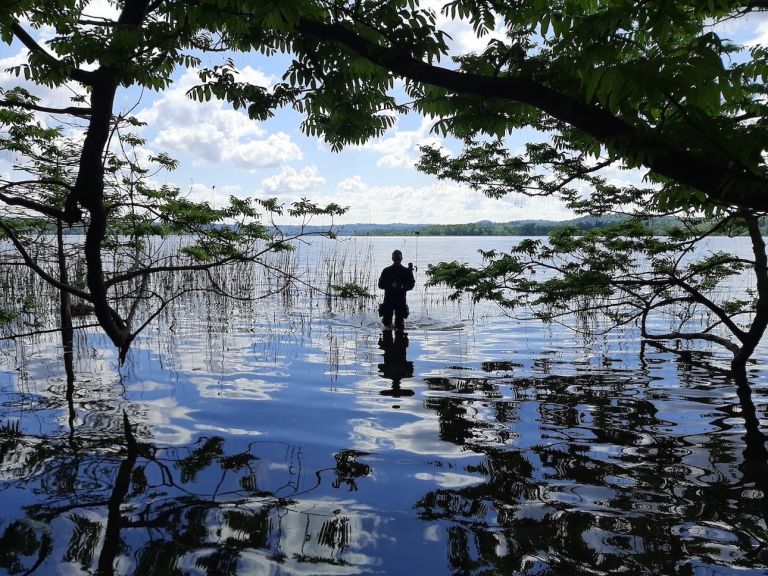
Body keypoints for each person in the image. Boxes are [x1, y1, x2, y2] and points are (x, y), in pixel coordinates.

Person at [378, 249, 415, 330]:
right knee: (387, 325)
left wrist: (402, 287)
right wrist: (391, 285)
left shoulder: (407, 271)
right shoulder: (386, 270)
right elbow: (380, 285)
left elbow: (411, 285)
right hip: (388, 300)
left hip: (400, 301)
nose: (397, 260)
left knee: (399, 326)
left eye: (398, 258)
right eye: (395, 258)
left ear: (401, 258)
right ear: (392, 259)